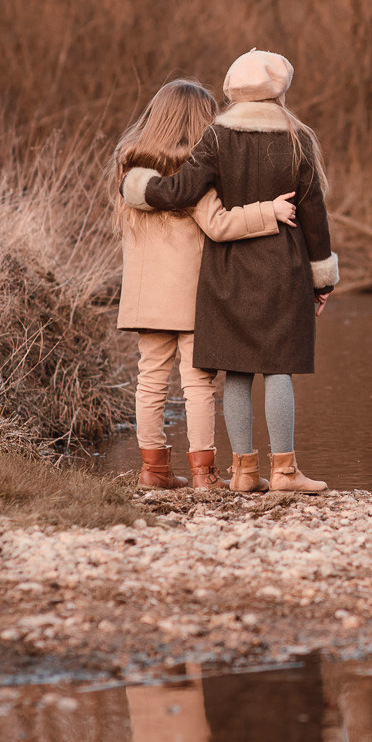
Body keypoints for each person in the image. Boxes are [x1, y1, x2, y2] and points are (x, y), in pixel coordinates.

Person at [122, 50, 336, 494]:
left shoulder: (216, 138)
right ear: (280, 88)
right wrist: (323, 278)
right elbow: (313, 212)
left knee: (235, 369)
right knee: (279, 367)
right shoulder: (299, 140)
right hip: (284, 268)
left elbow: (181, 190)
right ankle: (283, 471)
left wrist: (140, 187)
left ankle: (241, 471)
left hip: (225, 269)